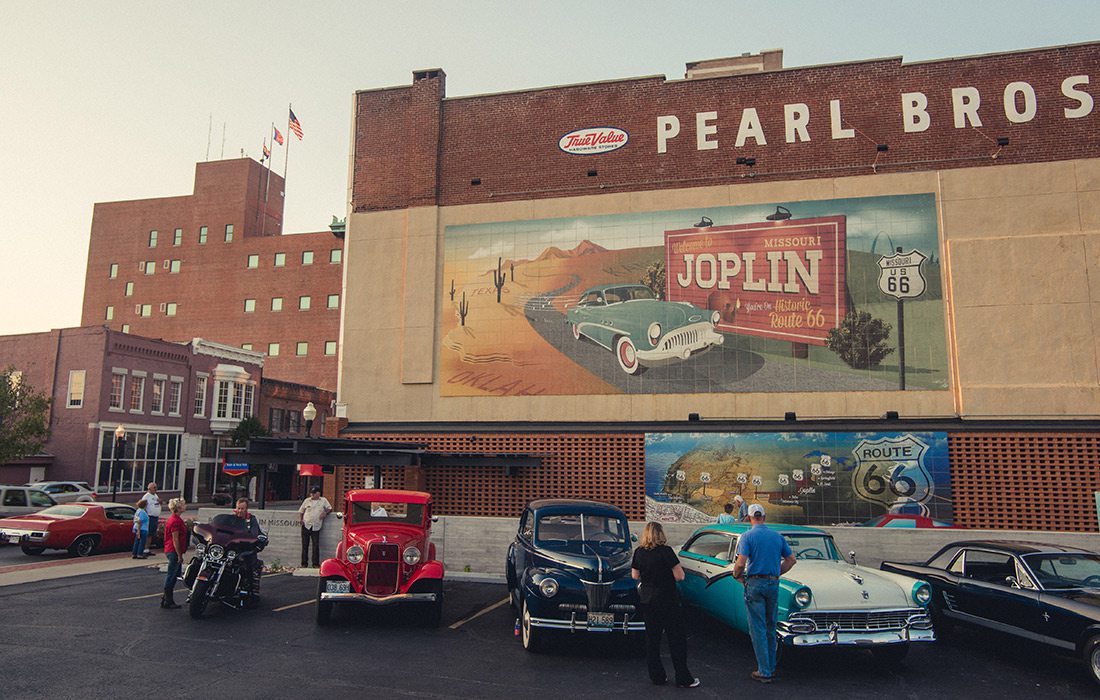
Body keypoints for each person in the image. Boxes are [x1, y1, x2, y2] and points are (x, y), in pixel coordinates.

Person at [732, 504, 797, 684]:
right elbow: (791, 560)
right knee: (771, 625)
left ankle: (764, 670)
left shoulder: (747, 537)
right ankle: (771, 666)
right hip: (773, 582)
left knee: (757, 627)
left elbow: (740, 563)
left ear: (750, 518)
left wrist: (736, 575)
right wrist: (776, 573)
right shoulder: (777, 536)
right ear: (764, 516)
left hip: (755, 582)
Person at [631, 522, 700, 689]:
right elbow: (680, 576)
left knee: (652, 639)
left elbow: (635, 575)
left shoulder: (639, 552)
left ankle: (657, 676)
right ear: (660, 534)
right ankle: (683, 678)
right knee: (676, 638)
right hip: (667, 598)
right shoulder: (666, 552)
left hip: (648, 599)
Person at [161, 498, 188, 609]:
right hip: (173, 550)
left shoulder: (175, 519)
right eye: (183, 504)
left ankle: (165, 598)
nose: (185, 506)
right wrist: (179, 555)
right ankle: (168, 600)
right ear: (179, 507)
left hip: (172, 549)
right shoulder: (175, 521)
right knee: (171, 575)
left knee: (174, 574)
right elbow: (175, 539)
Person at [297, 485, 332, 568]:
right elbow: (301, 511)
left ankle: (315, 564)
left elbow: (330, 508)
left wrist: (325, 513)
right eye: (311, 493)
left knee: (315, 545)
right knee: (305, 545)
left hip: (316, 526)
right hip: (306, 525)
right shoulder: (307, 501)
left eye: (314, 493)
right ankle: (304, 563)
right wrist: (301, 519)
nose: (312, 495)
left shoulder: (323, 500)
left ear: (318, 493)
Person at [142, 482, 161, 554]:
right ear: (149, 488)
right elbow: (143, 506)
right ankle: (144, 549)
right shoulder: (146, 497)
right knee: (148, 533)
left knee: (152, 534)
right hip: (150, 517)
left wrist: (160, 501)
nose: (156, 489)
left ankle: (147, 549)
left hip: (155, 517)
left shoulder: (155, 495)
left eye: (156, 487)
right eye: (154, 488)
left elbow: (158, 503)